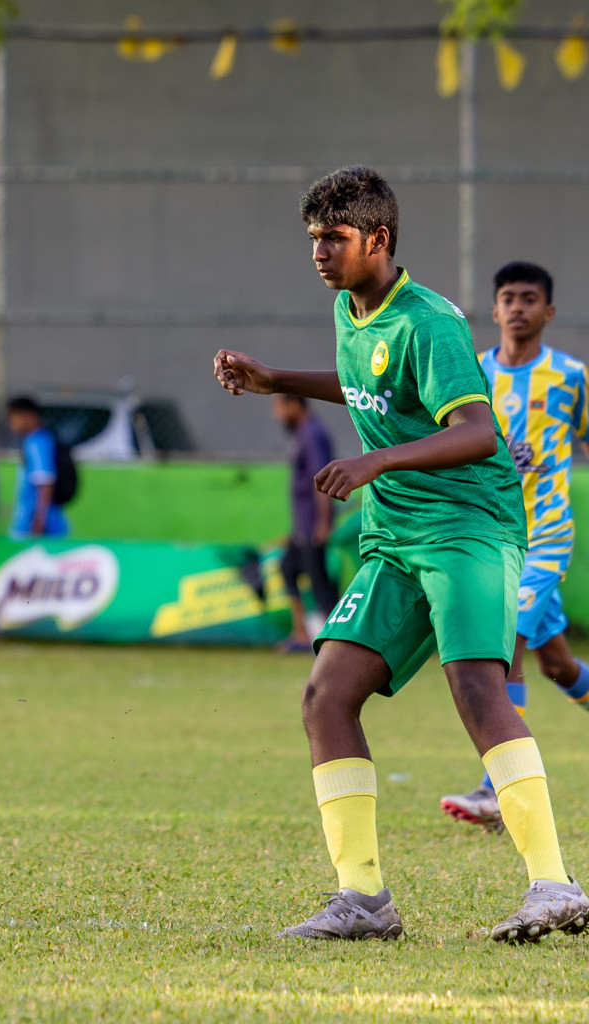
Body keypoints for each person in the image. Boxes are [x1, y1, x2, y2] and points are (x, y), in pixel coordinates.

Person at [213, 165, 586, 943]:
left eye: (334, 240)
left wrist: (374, 462)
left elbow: (478, 430)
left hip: (467, 528)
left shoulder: (431, 321)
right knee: (326, 695)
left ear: (377, 239)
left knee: (478, 687)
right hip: (395, 536)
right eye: (314, 240)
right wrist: (273, 378)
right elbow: (370, 388)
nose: (319, 253)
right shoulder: (352, 307)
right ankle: (364, 904)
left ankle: (553, 886)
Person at [441, 262, 589, 829]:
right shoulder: (475, 375)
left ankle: (494, 788)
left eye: (531, 299)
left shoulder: (572, 376)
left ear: (547, 312)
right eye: (509, 298)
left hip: (547, 534)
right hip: (497, 534)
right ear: (495, 309)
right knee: (558, 664)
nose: (519, 307)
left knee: (507, 644)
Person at [272, 393, 338, 653]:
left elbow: (321, 479)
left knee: (320, 584)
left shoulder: (312, 433)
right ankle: (301, 634)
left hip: (313, 526)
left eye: (279, 406)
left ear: (295, 404)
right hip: (303, 526)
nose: (277, 414)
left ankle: (335, 642)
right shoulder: (302, 433)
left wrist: (323, 523)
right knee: (288, 569)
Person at [7, 396, 68, 539]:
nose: (12, 425)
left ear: (28, 415)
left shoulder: (37, 442)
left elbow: (45, 483)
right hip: (41, 521)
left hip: (35, 525)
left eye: (13, 419)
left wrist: (38, 524)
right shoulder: (42, 438)